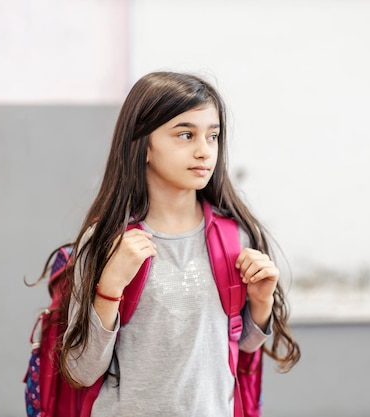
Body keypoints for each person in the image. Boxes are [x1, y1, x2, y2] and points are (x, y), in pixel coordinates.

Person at [58, 71, 300, 416]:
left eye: (212, 136)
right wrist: (109, 286)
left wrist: (260, 302)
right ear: (143, 146)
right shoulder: (104, 243)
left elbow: (237, 349)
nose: (204, 151)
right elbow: (81, 372)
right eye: (185, 135)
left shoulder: (234, 237)